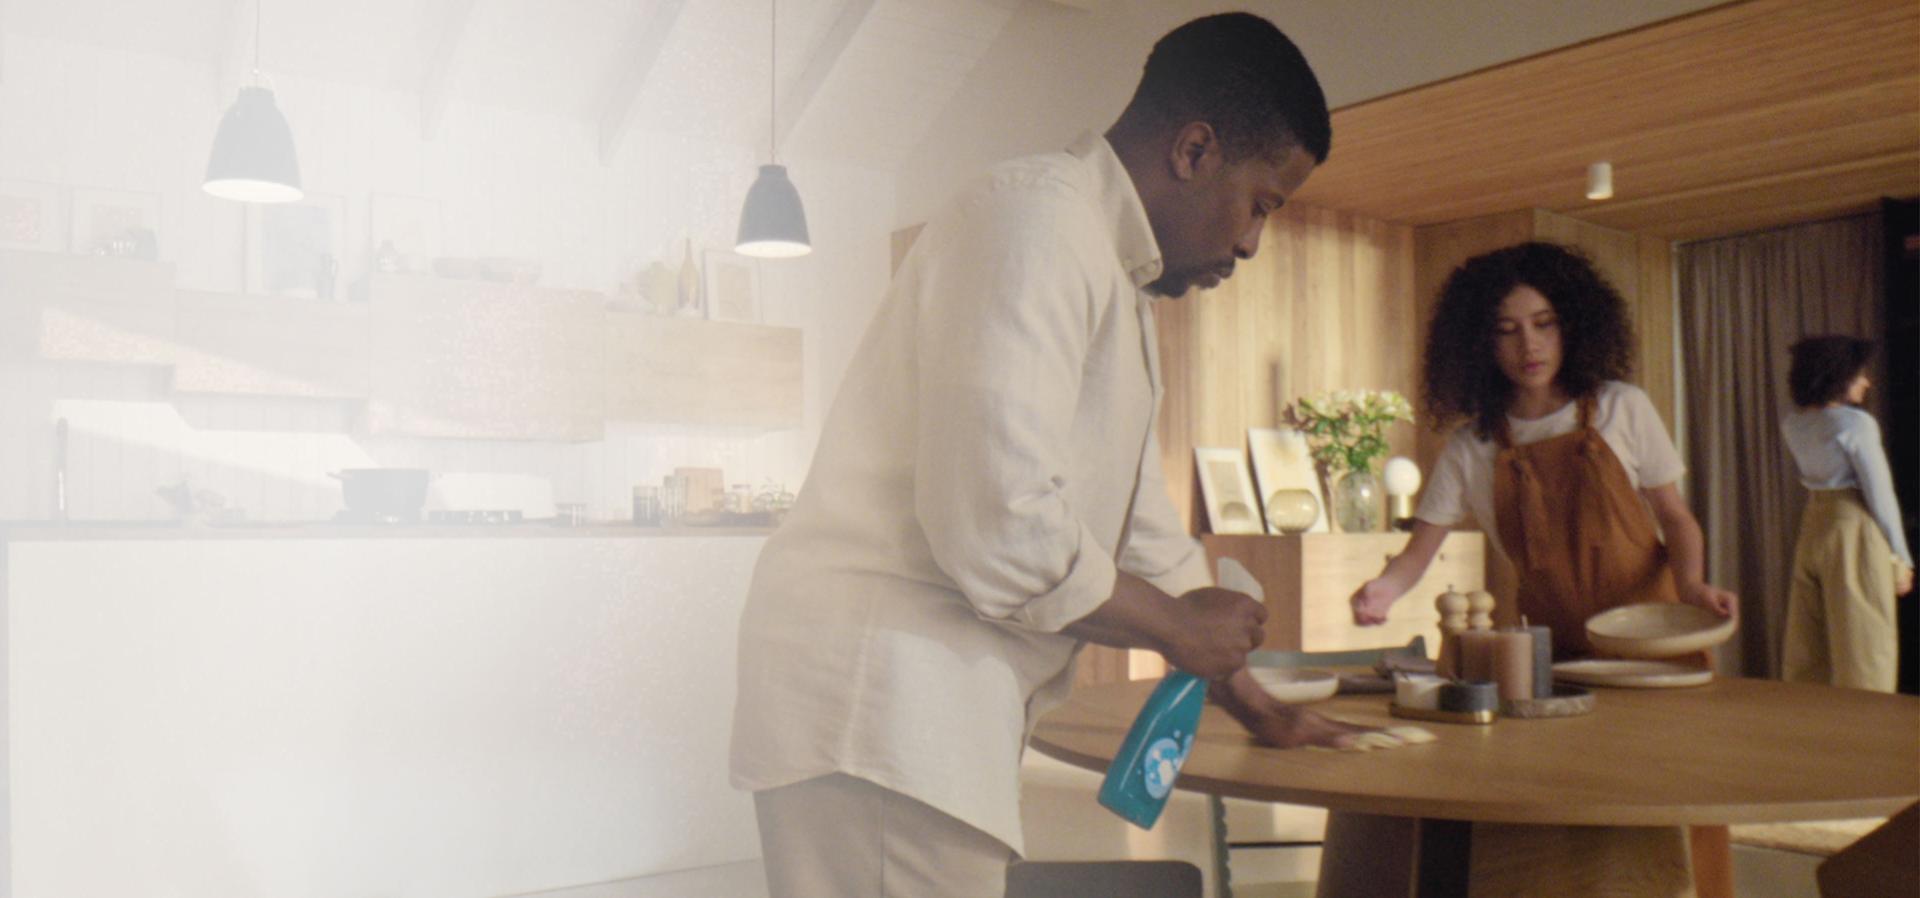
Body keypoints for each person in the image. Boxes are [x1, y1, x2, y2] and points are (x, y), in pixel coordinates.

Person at [730, 13, 1356, 897]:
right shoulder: (1034, 220)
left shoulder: (1109, 276)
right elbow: (998, 520)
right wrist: (1180, 628)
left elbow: (1137, 532)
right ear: (1194, 150)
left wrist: (1245, 691)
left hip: (916, 714)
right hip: (878, 707)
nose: (1253, 242)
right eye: (1261, 203)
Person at [1349, 241, 1736, 658]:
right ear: (1480, 344)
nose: (1528, 345)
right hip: (1557, 653)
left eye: (1544, 323)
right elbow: (1415, 556)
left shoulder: (1621, 407)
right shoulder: (1471, 447)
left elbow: (1675, 519)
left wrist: (1693, 584)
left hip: (1656, 637)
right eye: (1506, 330)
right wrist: (1383, 590)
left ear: (1571, 325)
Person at [1780, 335, 1914, 691]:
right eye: (1860, 374)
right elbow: (1880, 494)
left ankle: (1809, 737)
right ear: (1838, 376)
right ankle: (1866, 742)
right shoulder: (1855, 424)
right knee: (1865, 653)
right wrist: (1900, 555)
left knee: (1808, 652)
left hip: (1814, 525)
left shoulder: (1793, 424)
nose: (1867, 381)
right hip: (1853, 526)